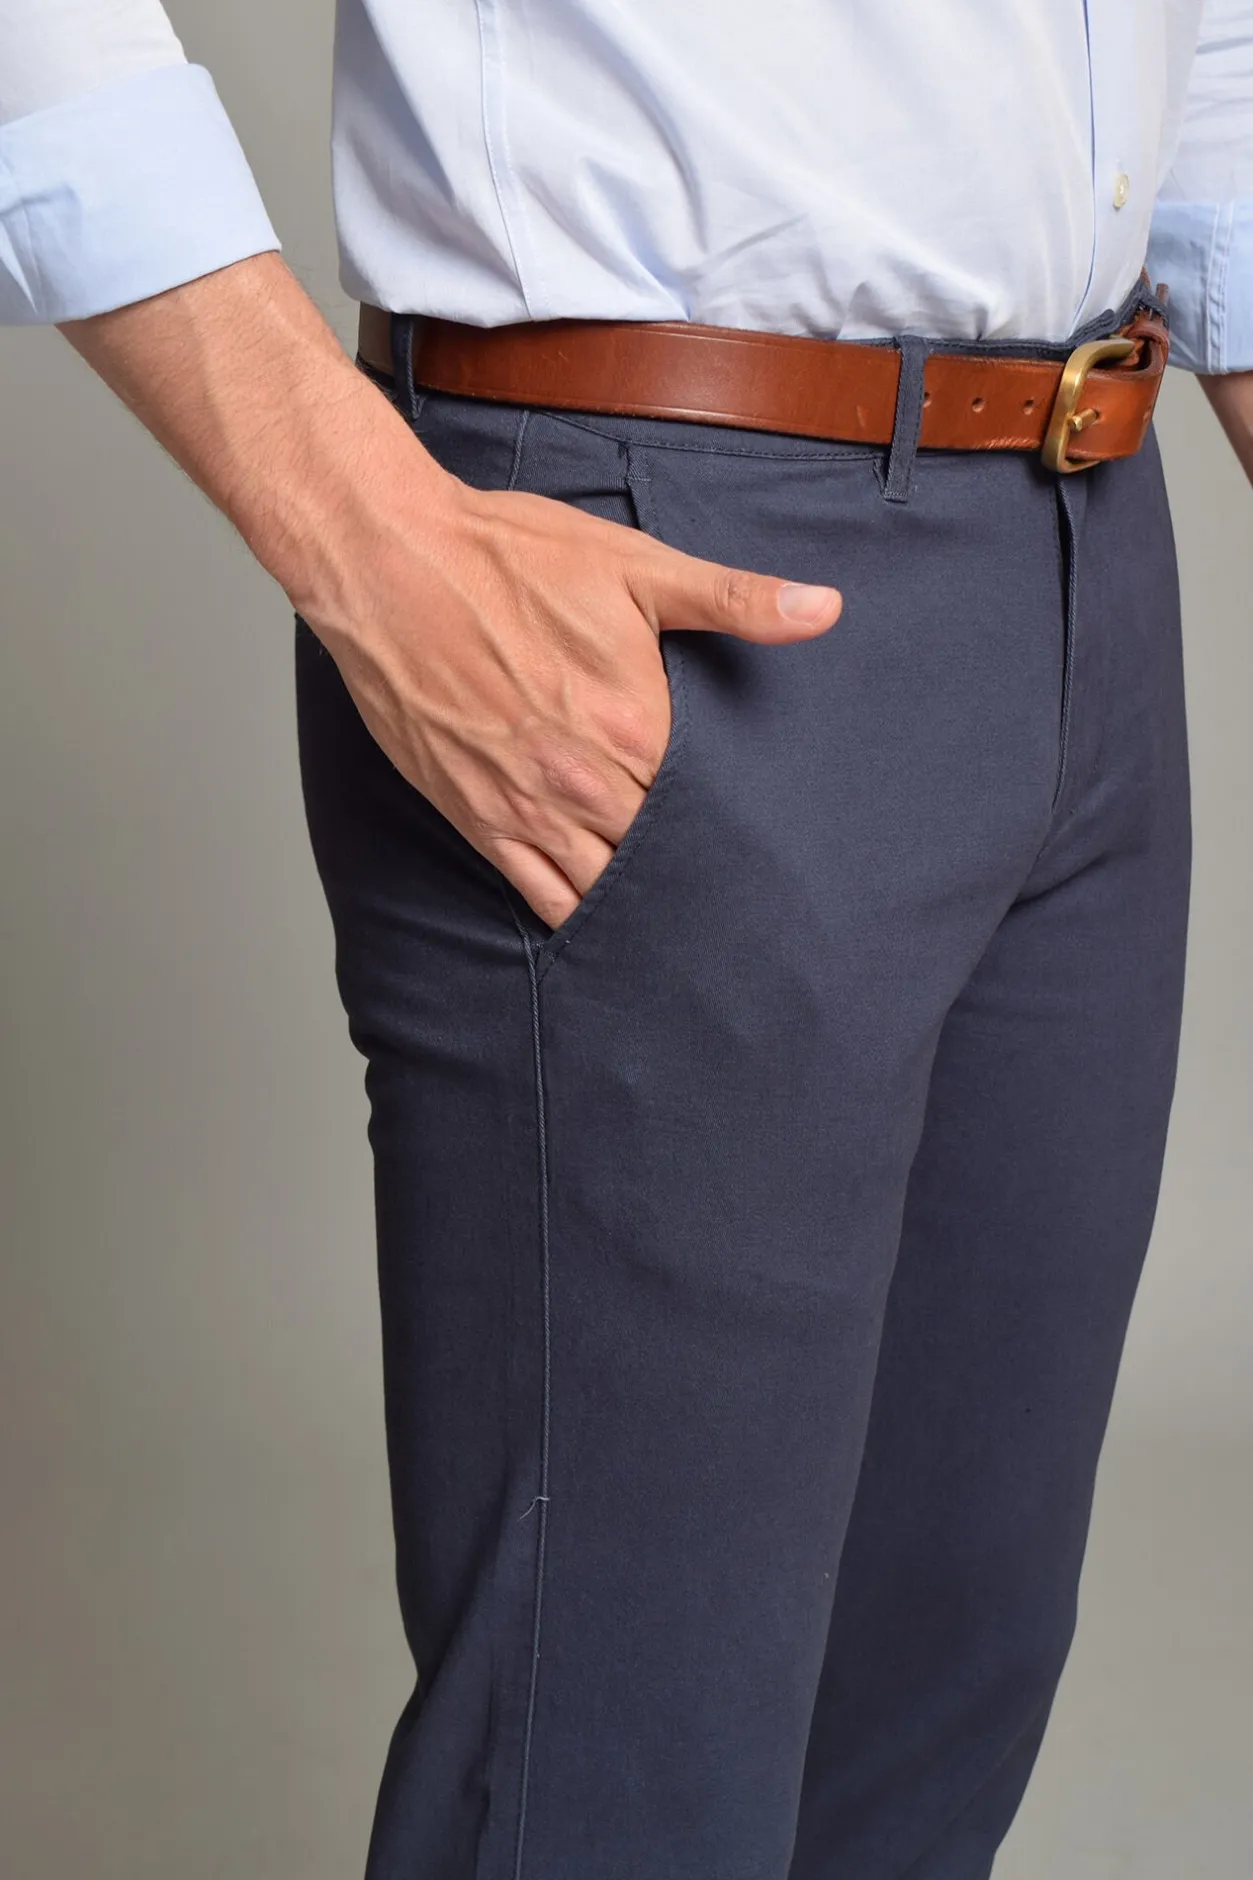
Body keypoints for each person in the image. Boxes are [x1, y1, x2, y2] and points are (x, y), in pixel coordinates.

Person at [2, 3, 1250, 1876]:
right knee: (616, 1792)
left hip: (1086, 540)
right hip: (662, 558)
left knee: (926, 1730)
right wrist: (356, 524)